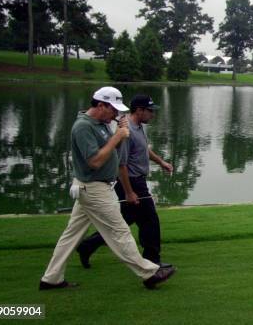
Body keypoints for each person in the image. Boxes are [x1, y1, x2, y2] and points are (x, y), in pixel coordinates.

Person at [39, 87, 175, 290]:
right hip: (93, 188)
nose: (116, 114)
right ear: (100, 105)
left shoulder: (101, 124)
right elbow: (94, 161)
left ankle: (51, 278)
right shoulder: (83, 127)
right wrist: (118, 136)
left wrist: (120, 133)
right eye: (113, 110)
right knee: (119, 231)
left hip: (98, 186)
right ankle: (149, 273)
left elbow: (114, 153)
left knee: (71, 235)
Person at [77, 94, 172, 268]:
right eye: (150, 111)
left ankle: (87, 246)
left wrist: (161, 162)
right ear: (139, 110)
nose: (152, 114)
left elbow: (144, 149)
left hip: (135, 182)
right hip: (132, 182)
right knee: (150, 220)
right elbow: (122, 165)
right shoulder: (126, 131)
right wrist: (129, 192)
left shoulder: (137, 126)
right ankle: (152, 260)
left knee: (124, 221)